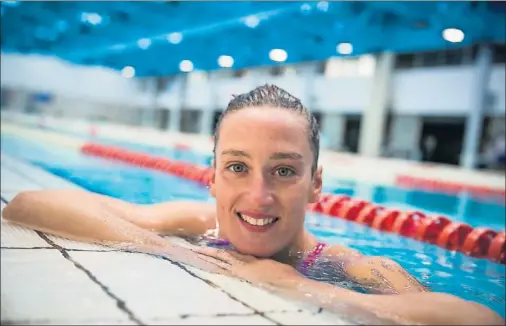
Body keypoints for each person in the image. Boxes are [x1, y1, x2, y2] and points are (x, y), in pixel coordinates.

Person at [3, 85, 503, 325]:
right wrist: (174, 251)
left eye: (284, 171)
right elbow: (29, 203)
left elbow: (477, 320)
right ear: (214, 178)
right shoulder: (197, 223)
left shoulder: (344, 263)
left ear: (315, 185)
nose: (258, 197)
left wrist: (304, 289)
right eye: (237, 167)